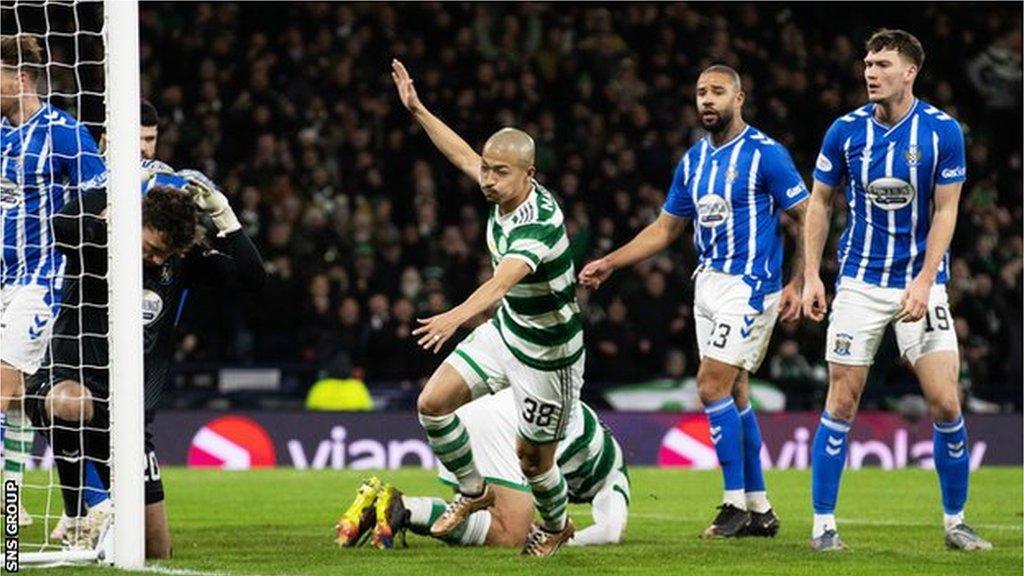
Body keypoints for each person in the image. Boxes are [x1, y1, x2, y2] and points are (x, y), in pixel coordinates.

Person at [579, 65, 808, 538]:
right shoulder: (693, 161)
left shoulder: (766, 155)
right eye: (701, 91)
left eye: (717, 92)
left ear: (739, 98)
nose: (707, 100)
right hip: (708, 284)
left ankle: (732, 504)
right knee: (735, 392)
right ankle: (760, 508)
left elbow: (809, 215)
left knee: (709, 386)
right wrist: (612, 262)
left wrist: (800, 280)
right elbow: (665, 229)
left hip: (750, 287)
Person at [802, 29, 991, 552]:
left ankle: (956, 522)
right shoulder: (844, 131)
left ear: (910, 72)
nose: (870, 71)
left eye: (883, 64)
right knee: (841, 399)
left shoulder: (941, 132)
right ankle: (823, 527)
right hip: (860, 283)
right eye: (867, 62)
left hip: (919, 282)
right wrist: (812, 274)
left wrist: (926, 280)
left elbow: (946, 210)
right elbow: (818, 202)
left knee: (947, 402)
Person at [391, 59, 582, 557]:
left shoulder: (538, 223)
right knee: (432, 404)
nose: (488, 180)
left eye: (501, 172)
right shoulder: (497, 187)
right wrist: (418, 109)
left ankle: (558, 524)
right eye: (488, 169)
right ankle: (474, 493)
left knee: (533, 461)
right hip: (509, 331)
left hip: (549, 353)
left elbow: (501, 283)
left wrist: (454, 316)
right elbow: (461, 153)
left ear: (529, 174)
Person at [25, 180, 265, 556]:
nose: (156, 259)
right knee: (71, 402)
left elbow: (253, 279)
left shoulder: (180, 260)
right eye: (151, 248)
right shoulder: (99, 239)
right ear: (135, 222)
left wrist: (223, 214)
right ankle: (82, 512)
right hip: (67, 380)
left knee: (155, 552)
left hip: (128, 416)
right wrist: (116, 186)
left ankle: (102, 519)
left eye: (164, 253)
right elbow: (61, 224)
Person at [0, 34, 107, 526]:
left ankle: (10, 501)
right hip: (5, 277)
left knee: (3, 383)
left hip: (46, 278)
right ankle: (91, 500)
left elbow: (103, 201)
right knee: (25, 398)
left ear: (19, 78)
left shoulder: (65, 133)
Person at [336, 389, 629, 549]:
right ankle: (404, 508)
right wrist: (558, 536)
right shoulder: (613, 472)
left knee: (482, 517)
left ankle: (386, 505)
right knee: (511, 534)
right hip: (508, 426)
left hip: (470, 412)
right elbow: (611, 531)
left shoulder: (586, 433)